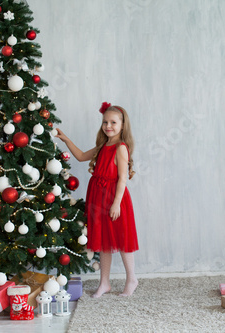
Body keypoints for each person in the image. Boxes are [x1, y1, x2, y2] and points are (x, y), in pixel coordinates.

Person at [56, 102, 139, 297]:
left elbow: (122, 178)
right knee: (103, 241)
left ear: (122, 125)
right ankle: (104, 283)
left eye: (113, 122)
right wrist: (66, 139)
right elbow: (80, 156)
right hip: (97, 197)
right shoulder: (103, 146)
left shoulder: (120, 148)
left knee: (121, 238)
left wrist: (116, 202)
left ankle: (132, 278)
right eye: (105, 122)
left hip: (113, 198)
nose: (108, 126)